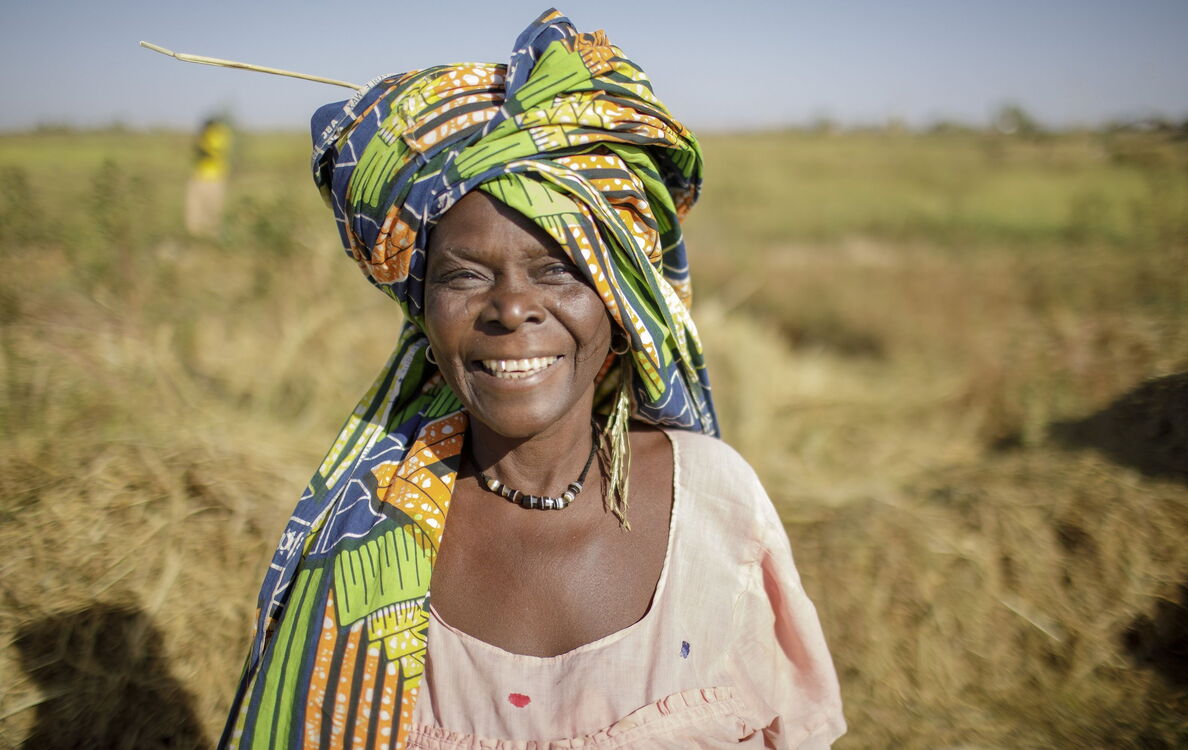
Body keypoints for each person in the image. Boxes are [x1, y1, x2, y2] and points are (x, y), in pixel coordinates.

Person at [221, 10, 844, 749]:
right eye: (465, 275)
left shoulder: (716, 504)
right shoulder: (365, 539)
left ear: (621, 305)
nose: (513, 309)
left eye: (559, 270)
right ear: (422, 310)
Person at [184, 116, 232, 237]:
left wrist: (201, 142)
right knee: (197, 210)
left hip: (213, 179)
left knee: (212, 209)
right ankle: (196, 235)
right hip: (200, 177)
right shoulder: (207, 136)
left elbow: (207, 151)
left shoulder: (217, 136)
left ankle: (209, 236)